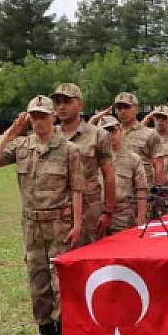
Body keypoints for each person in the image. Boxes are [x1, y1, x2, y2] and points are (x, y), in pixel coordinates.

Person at [0, 96, 84, 335]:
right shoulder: (21, 146)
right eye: (34, 116)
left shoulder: (68, 149)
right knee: (37, 280)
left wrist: (77, 224)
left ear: (53, 118)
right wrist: (14, 130)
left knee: (60, 281)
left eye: (43, 116)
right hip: (31, 224)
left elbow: (77, 189)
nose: (38, 121)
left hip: (59, 222)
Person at [51, 83, 116, 245]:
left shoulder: (97, 135)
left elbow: (108, 173)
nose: (61, 107)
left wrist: (108, 211)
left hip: (89, 212)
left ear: (80, 104)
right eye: (58, 102)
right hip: (57, 211)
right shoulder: (51, 136)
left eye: (67, 101)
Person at [100, 116, 148, 234]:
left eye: (113, 130)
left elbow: (141, 189)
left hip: (123, 215)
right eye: (105, 132)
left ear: (120, 131)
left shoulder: (133, 158)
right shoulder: (95, 158)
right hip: (99, 215)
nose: (109, 135)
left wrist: (141, 217)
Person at [113, 92, 164, 186]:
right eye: (119, 108)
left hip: (143, 191)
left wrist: (158, 190)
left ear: (136, 109)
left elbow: (159, 165)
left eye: (127, 107)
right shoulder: (111, 134)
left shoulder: (150, 134)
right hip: (119, 190)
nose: (123, 111)